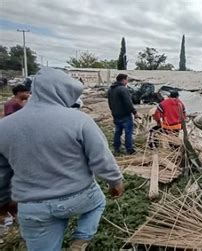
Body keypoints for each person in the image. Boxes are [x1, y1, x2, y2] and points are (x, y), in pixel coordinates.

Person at [0, 67, 124, 251]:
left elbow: (2, 171)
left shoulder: (4, 126)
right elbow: (100, 158)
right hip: (77, 197)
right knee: (98, 202)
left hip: (32, 205)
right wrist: (115, 182)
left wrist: (3, 200)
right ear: (63, 91)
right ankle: (81, 238)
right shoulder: (79, 120)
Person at [107, 74, 138, 154]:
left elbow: (110, 103)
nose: (127, 82)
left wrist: (113, 111)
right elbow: (128, 103)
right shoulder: (123, 89)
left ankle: (116, 148)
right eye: (127, 80)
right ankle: (129, 149)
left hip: (116, 115)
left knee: (117, 132)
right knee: (128, 132)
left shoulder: (110, 90)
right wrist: (134, 112)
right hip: (125, 115)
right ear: (123, 80)